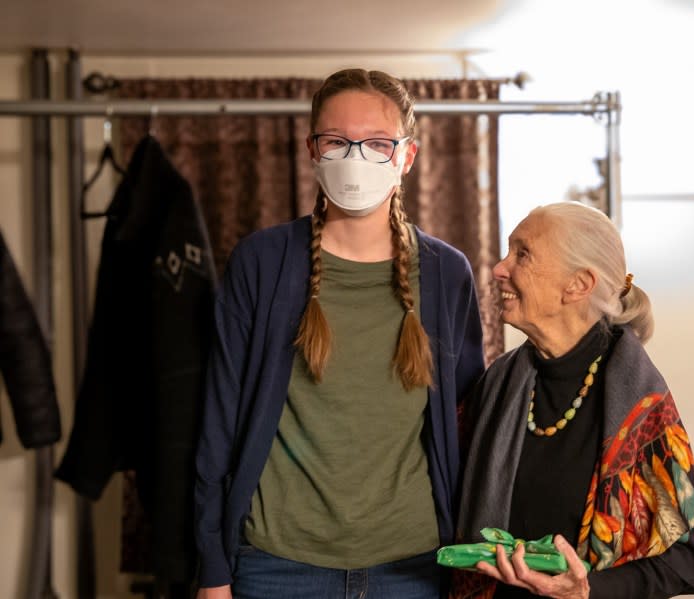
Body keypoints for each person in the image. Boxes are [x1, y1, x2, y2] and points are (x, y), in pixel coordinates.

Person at [194, 68, 486, 599]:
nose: (356, 159)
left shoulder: (446, 273)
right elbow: (217, 421)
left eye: (377, 144)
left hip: (414, 566)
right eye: (337, 141)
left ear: (407, 157)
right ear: (312, 149)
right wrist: (211, 566)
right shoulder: (262, 262)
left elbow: (467, 424)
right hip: (276, 564)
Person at [452, 202, 694, 599]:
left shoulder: (639, 404)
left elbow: (690, 556)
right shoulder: (497, 384)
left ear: (578, 284)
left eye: (522, 253)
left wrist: (587, 590)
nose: (498, 268)